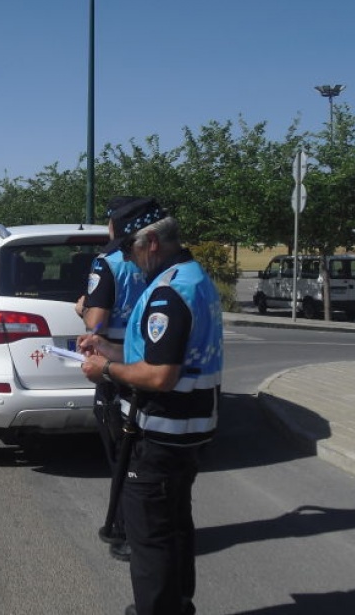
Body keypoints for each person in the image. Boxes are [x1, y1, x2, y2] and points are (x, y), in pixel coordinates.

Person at [77, 197, 223, 615]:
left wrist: (105, 369)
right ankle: (178, 606)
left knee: (149, 537)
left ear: (152, 243)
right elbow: (157, 353)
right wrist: (108, 346)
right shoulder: (192, 277)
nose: (126, 257)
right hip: (187, 429)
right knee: (175, 524)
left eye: (129, 248)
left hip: (161, 430)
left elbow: (160, 376)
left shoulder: (168, 293)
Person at [75, 196, 148, 563]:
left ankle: (126, 531)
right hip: (148, 361)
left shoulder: (109, 262)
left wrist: (83, 306)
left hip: (115, 363)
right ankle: (133, 528)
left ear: (115, 225)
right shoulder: (158, 262)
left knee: (122, 454)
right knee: (138, 453)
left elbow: (96, 321)